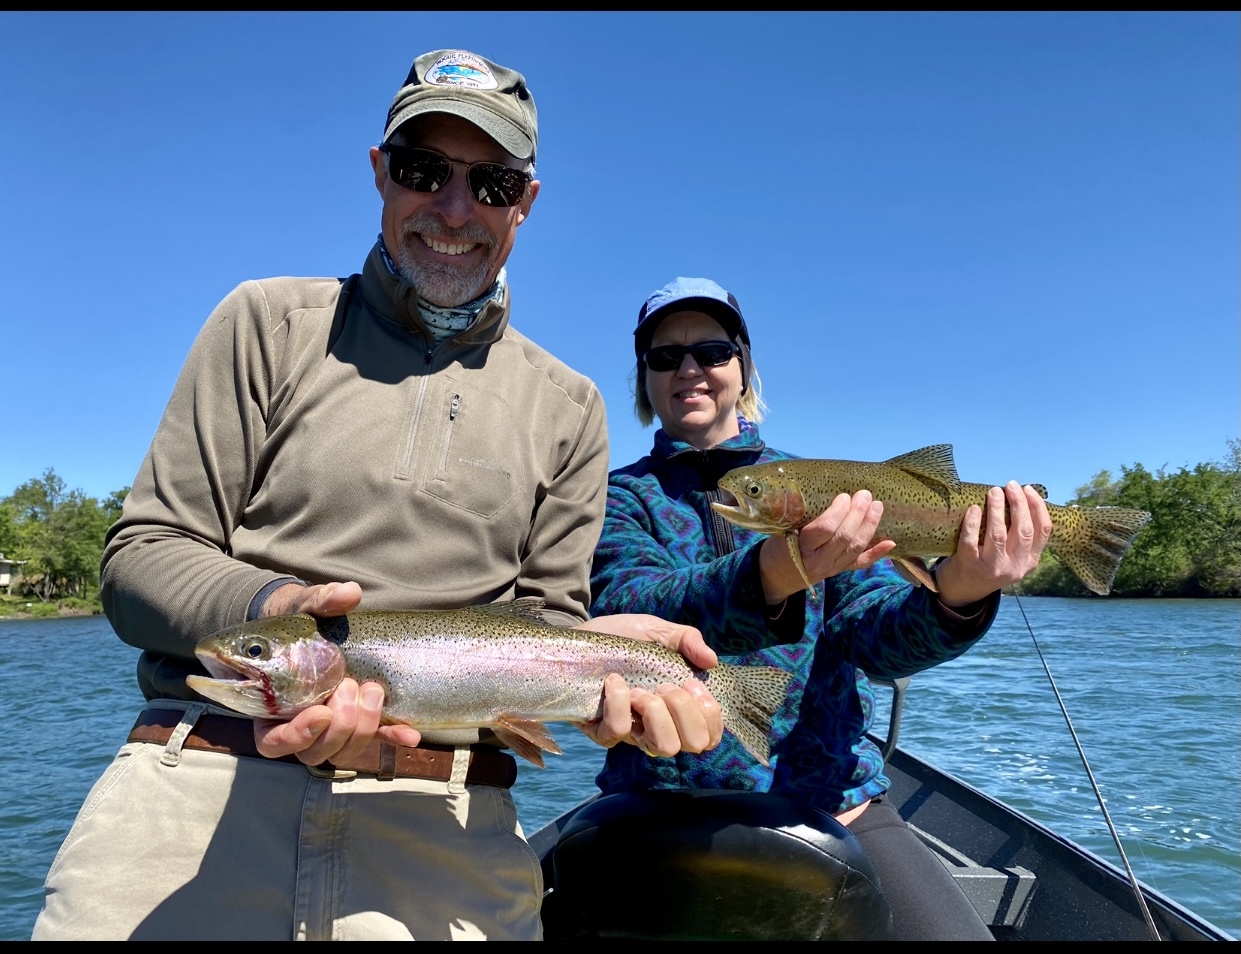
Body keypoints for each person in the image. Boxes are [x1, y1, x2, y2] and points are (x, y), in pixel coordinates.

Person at [31, 52, 723, 942]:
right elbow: (141, 558)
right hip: (197, 783)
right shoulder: (265, 322)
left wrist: (604, 678)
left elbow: (547, 622)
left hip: (447, 823)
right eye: (423, 170)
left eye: (493, 182)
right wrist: (279, 609)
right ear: (379, 172)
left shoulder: (571, 405)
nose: (453, 208)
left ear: (526, 201)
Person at [589, 276, 1053, 941]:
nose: (689, 369)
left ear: (741, 368)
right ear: (645, 379)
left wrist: (961, 592)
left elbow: (876, 637)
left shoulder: (821, 492)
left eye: (711, 352)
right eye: (665, 356)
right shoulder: (617, 499)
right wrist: (774, 571)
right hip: (657, 802)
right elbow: (629, 610)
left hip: (837, 799)